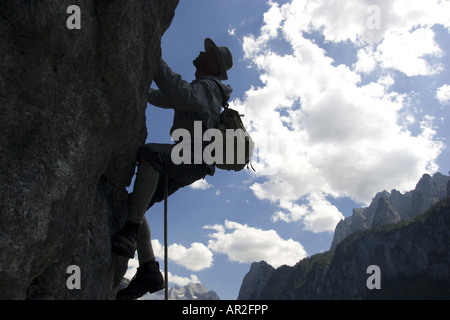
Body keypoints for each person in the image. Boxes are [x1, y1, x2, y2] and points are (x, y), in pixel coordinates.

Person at [112, 38, 233, 300]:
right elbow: (169, 98)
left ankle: (131, 230)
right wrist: (137, 88)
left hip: (192, 158)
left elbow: (180, 94)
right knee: (135, 204)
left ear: (214, 63)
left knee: (150, 154)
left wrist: (154, 58)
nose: (201, 52)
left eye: (208, 52)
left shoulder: (210, 87)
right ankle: (148, 269)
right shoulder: (204, 90)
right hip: (190, 161)